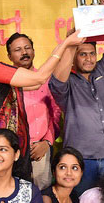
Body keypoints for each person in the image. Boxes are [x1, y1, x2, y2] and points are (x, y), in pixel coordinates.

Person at [0, 15, 81, 179]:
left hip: (8, 152)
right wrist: (66, 43)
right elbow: (39, 78)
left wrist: (68, 45)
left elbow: (37, 83)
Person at [50, 31, 104, 195]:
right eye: (83, 54)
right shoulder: (66, 84)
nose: (89, 59)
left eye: (92, 54)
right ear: (73, 58)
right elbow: (57, 81)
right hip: (82, 159)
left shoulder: (102, 71)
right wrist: (71, 42)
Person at [6, 33, 62, 190]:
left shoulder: (48, 80)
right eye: (18, 50)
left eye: (27, 48)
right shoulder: (6, 84)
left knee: (42, 195)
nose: (24, 52)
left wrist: (47, 142)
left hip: (41, 150)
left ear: (33, 51)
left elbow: (56, 114)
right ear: (9, 56)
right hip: (15, 151)